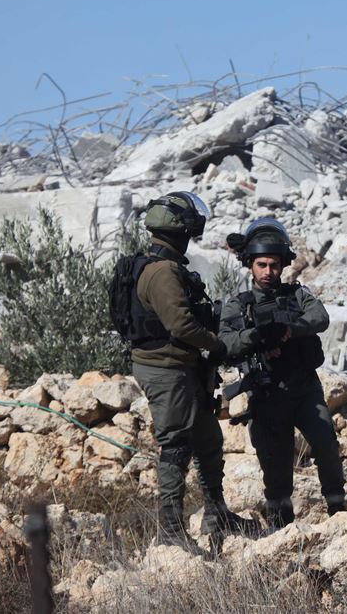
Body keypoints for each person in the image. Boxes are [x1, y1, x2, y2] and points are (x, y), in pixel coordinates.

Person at [126, 191, 260, 551]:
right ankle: (170, 530)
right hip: (166, 370)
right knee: (176, 446)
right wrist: (218, 345)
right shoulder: (162, 272)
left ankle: (218, 514)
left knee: (208, 440)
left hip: (180, 367)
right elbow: (181, 325)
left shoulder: (162, 266)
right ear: (180, 228)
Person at [219, 218, 346, 527]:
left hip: (304, 388)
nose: (268, 271)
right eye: (261, 264)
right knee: (276, 468)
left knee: (326, 443)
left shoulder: (296, 295)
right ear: (250, 265)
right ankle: (281, 530)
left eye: (274, 265)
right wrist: (259, 338)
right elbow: (226, 343)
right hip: (268, 394)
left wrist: (290, 329)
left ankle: (338, 512)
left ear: (283, 265)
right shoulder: (239, 305)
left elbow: (320, 317)